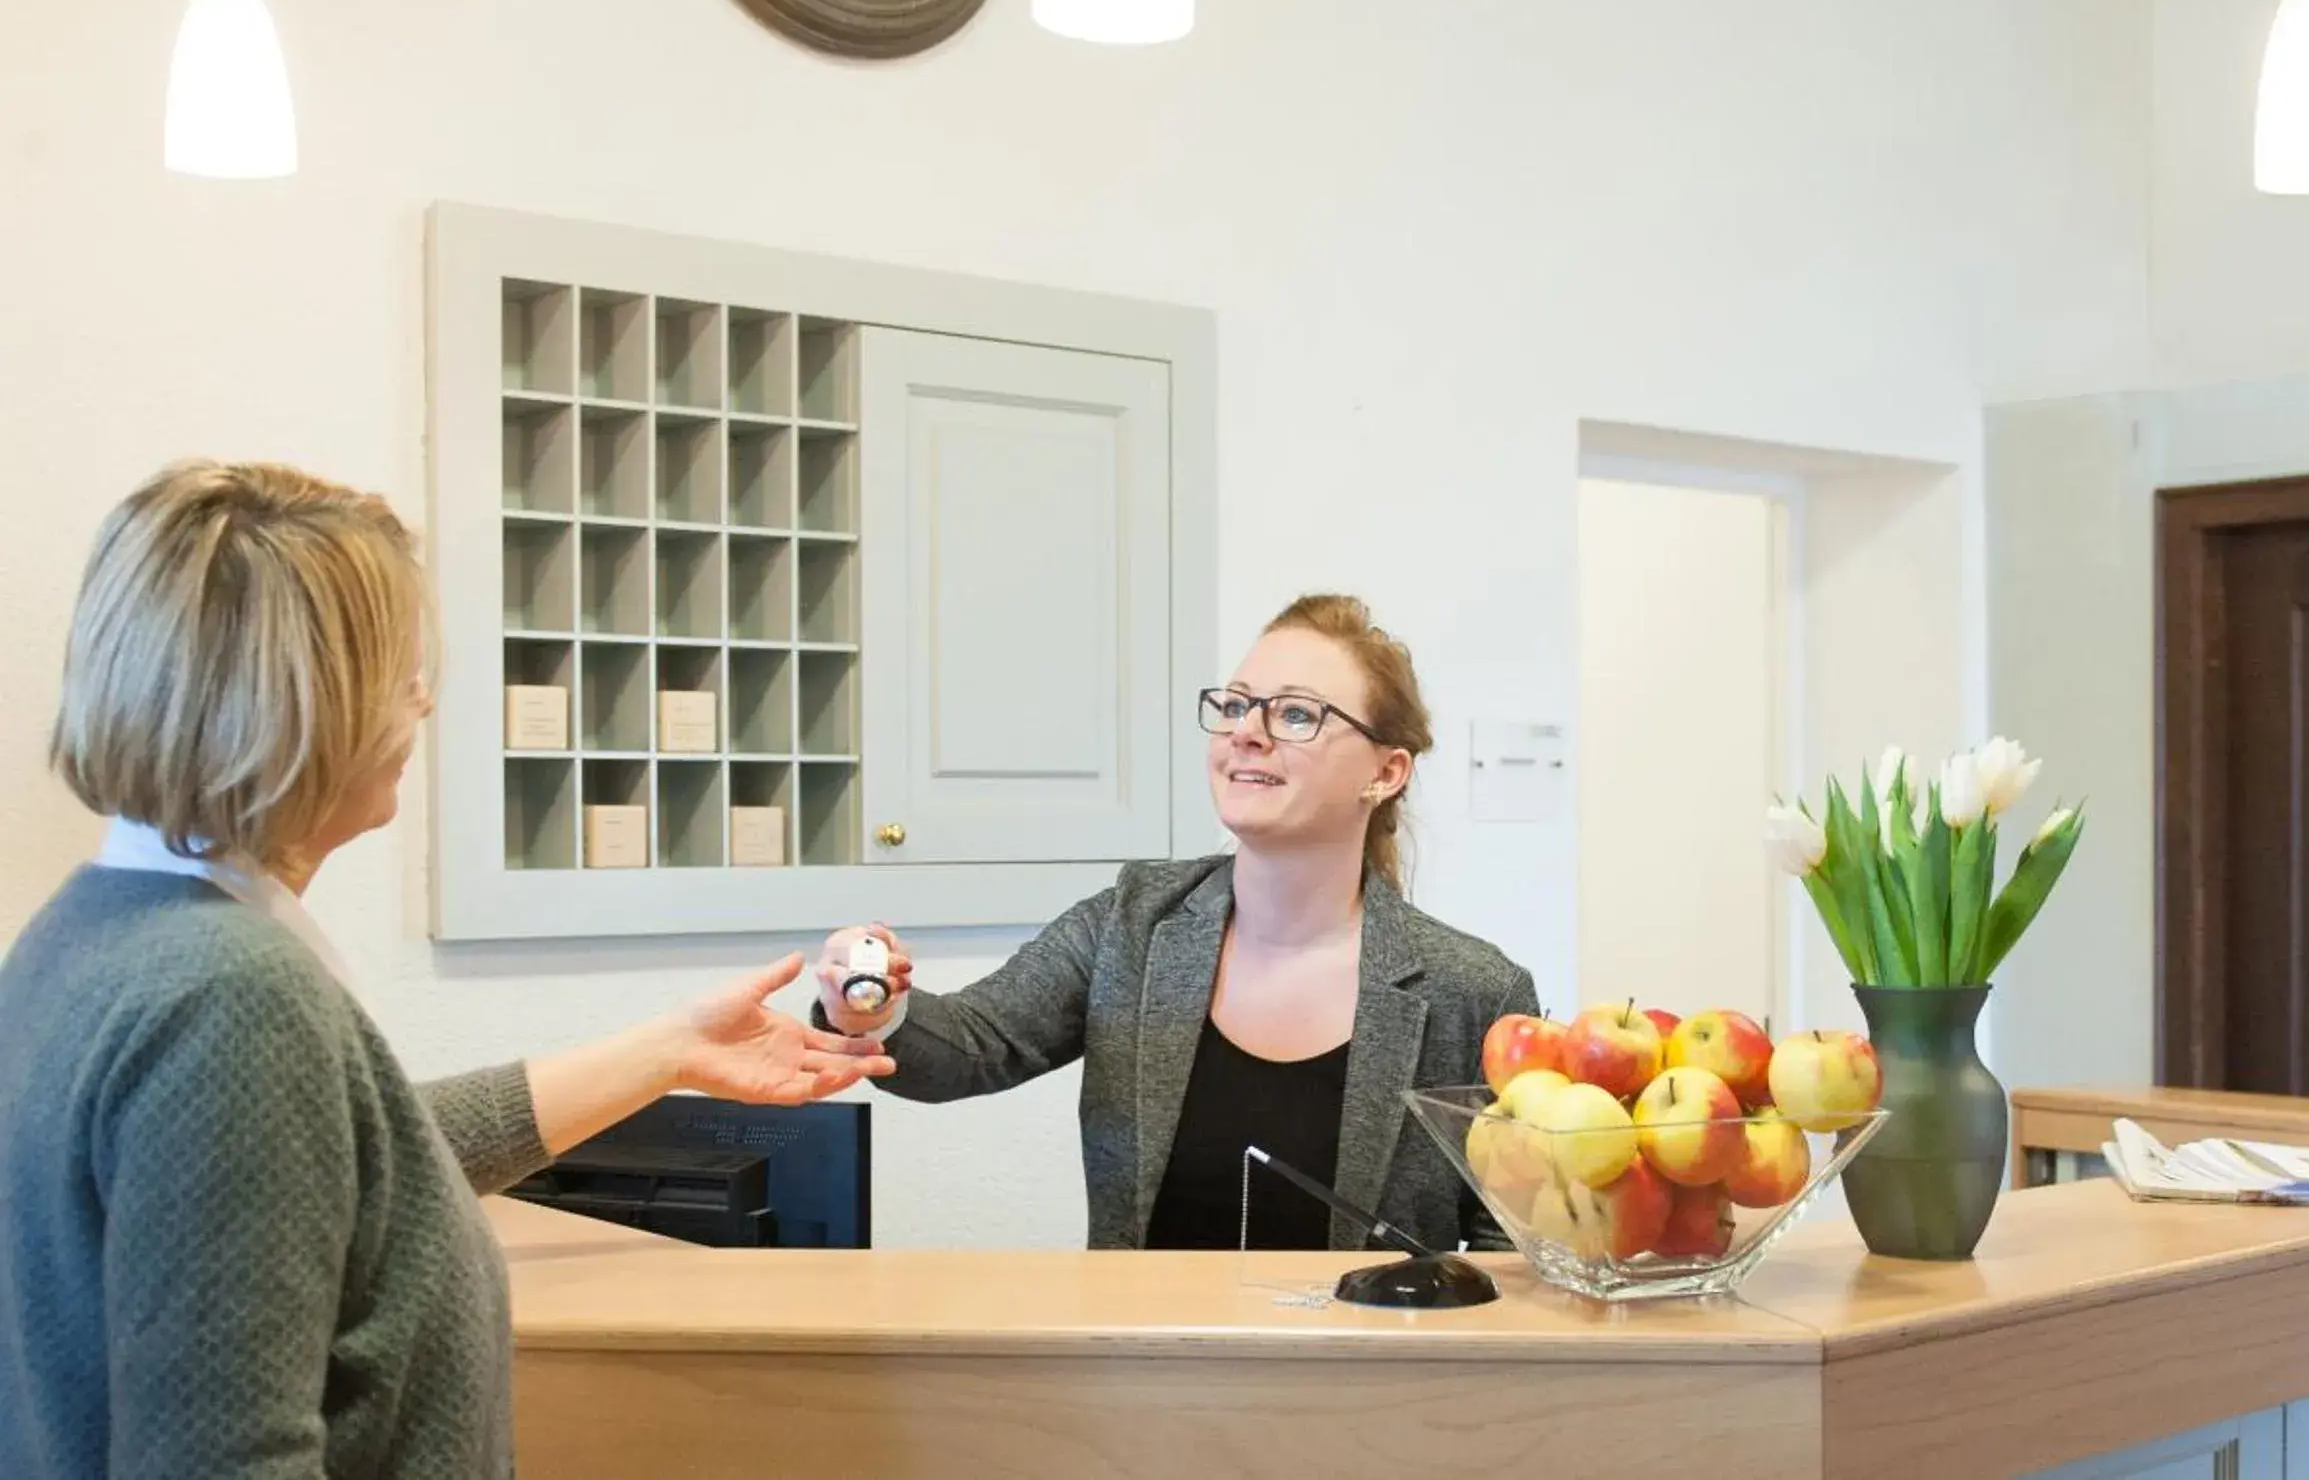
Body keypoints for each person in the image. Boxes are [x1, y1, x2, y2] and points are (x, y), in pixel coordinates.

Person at [0, 461, 896, 1478]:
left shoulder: (94, 929)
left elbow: (347, 1166)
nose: (422, 703)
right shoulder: (230, 996)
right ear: (307, 704)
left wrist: (670, 1051)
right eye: (398, 673)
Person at [815, 594, 1538, 1253]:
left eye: (1296, 715)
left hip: (1364, 1360)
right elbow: (972, 1045)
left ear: (1385, 772)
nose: (1247, 733)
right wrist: (871, 1007)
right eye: (1236, 705)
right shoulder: (1130, 924)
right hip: (1147, 1354)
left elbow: (1517, 1247)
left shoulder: (1476, 992)